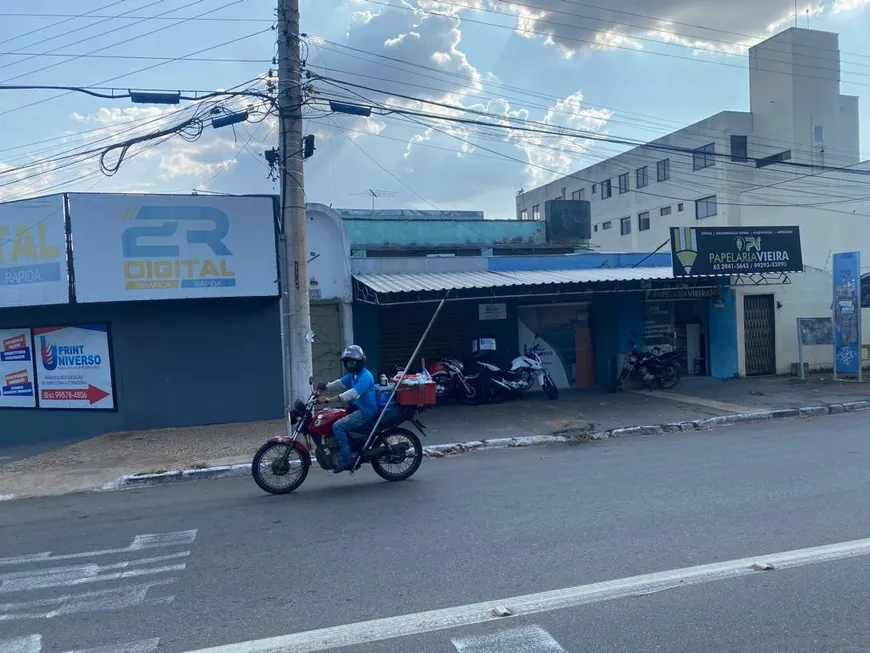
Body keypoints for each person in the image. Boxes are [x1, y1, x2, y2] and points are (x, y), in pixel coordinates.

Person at [316, 345, 378, 474]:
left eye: (352, 362)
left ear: (359, 362)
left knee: (338, 426)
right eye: (348, 362)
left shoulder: (365, 377)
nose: (350, 364)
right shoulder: (353, 375)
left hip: (366, 412)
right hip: (356, 407)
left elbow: (351, 394)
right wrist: (325, 386)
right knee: (332, 416)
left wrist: (328, 399)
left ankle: (346, 459)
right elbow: (340, 383)